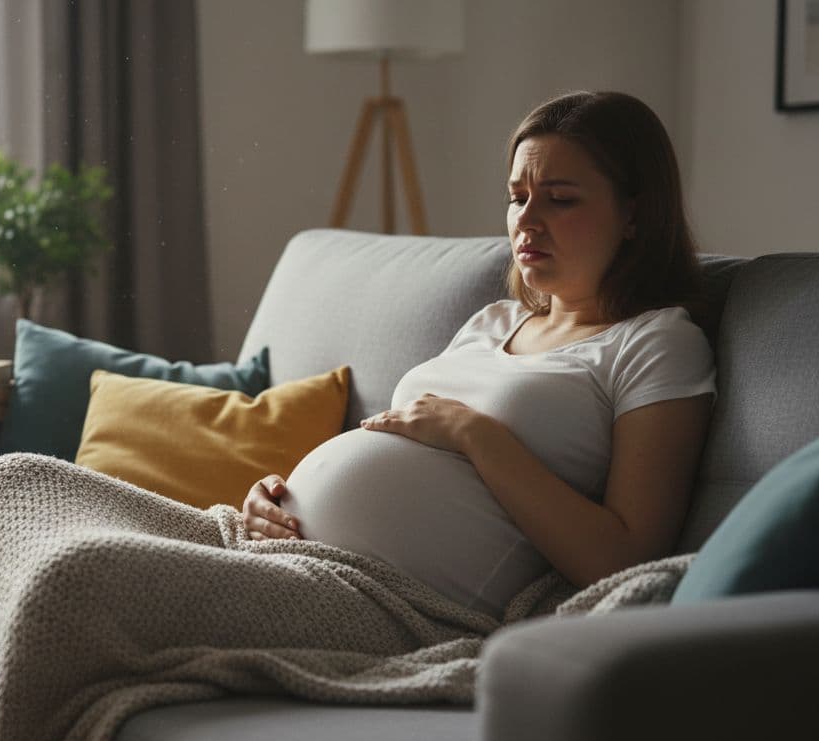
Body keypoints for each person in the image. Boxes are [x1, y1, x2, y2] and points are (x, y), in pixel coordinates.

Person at [241, 91, 716, 615]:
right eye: (518, 197)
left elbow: (624, 561)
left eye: (560, 199)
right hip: (285, 552)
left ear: (634, 214)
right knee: (131, 515)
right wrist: (275, 499)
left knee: (133, 583)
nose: (526, 221)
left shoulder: (655, 344)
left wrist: (477, 435)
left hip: (390, 604)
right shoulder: (494, 321)